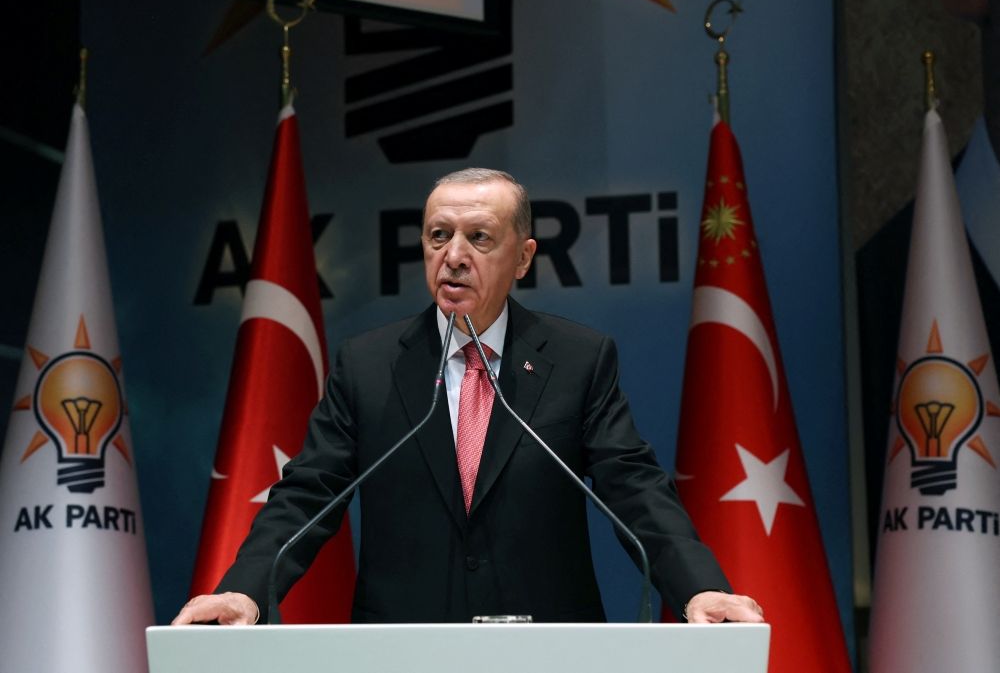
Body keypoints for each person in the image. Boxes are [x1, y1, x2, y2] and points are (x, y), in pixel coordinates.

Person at [173, 168, 763, 626]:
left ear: (524, 257)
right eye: (438, 236)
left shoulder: (579, 359)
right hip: (404, 650)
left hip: (546, 647)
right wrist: (244, 589)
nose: (454, 255)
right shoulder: (370, 365)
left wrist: (696, 588)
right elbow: (307, 495)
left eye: (479, 237)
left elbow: (634, 488)